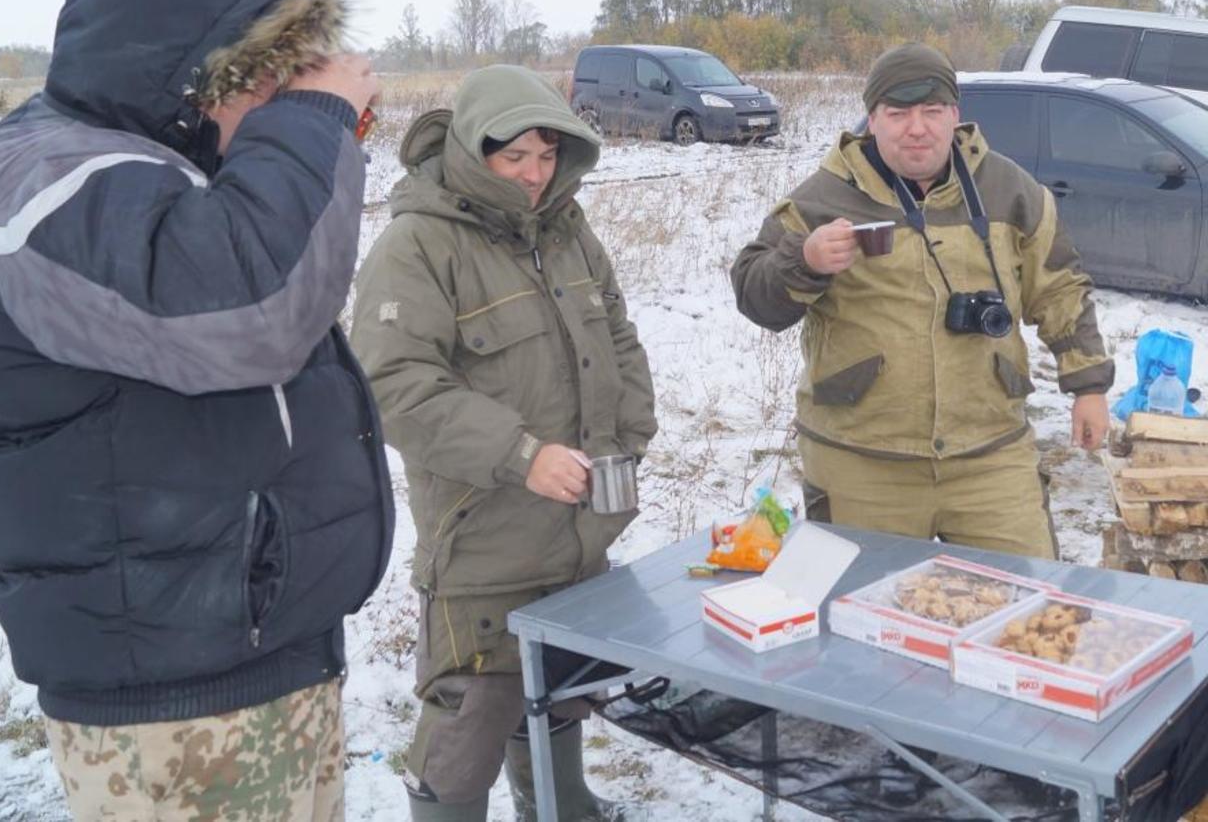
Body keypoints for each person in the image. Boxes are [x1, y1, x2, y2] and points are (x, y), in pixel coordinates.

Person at [0, 0, 394, 821]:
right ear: (200, 66)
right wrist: (313, 120)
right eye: (265, 75)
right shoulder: (37, 178)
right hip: (172, 707)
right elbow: (246, 310)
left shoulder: (156, 169)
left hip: (259, 661)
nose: (272, 98)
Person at [350, 64, 657, 821]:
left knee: (557, 683)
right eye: (514, 157)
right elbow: (394, 385)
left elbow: (616, 335)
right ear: (472, 150)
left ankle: (561, 805)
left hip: (577, 523)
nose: (533, 175)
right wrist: (523, 456)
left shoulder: (567, 231)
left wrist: (632, 430)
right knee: (470, 711)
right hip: (482, 533)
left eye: (547, 156)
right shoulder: (417, 245)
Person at [731, 43, 1113, 558]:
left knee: (1029, 608)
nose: (917, 128)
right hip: (861, 461)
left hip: (989, 455)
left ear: (955, 116)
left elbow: (1061, 286)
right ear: (873, 119)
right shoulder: (821, 198)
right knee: (859, 619)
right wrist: (807, 259)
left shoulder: (1011, 191)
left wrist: (1088, 385)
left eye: (932, 112)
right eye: (899, 114)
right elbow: (755, 295)